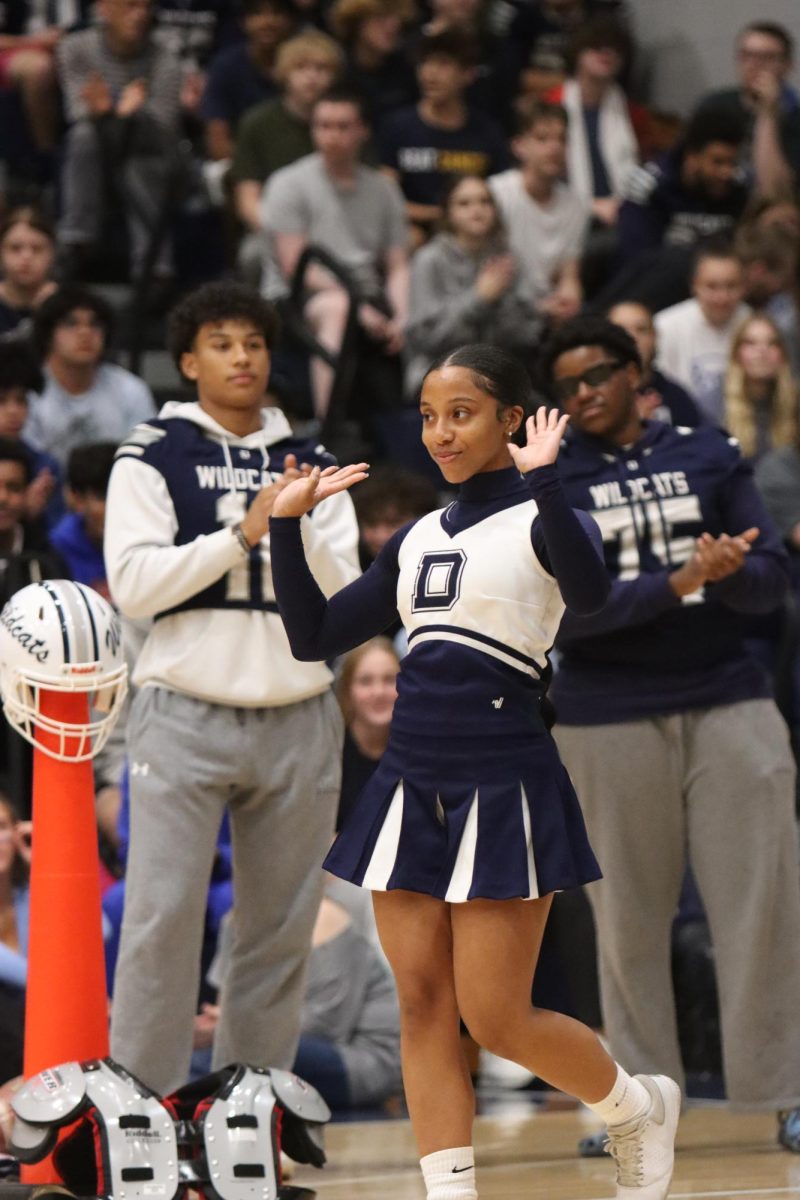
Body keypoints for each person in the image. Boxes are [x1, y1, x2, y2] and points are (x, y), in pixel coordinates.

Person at [268, 342, 681, 1200]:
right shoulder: (418, 535)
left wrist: (548, 481)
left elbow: (594, 594)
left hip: (506, 780)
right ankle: (448, 1192)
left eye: (460, 413)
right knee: (423, 1004)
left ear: (511, 420)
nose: (440, 432)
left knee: (495, 1017)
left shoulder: (541, 517)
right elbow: (314, 637)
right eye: (427, 415)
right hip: (411, 786)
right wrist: (283, 525)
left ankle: (634, 1106)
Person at [539, 314, 800, 1154]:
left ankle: (788, 1091)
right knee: (627, 923)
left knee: (764, 906)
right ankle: (638, 1109)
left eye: (596, 377)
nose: (582, 395)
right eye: (567, 386)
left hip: (730, 698)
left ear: (634, 372)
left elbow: (771, 583)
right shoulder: (551, 483)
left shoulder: (711, 453)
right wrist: (678, 578)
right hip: (604, 715)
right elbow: (571, 620)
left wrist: (725, 577)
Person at [104, 281, 361, 1095]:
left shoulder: (316, 461)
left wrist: (292, 522)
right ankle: (139, 1112)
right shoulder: (152, 451)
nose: (242, 357)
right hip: (182, 710)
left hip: (299, 713)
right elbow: (135, 584)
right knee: (160, 921)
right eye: (221, 343)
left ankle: (247, 1116)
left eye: (252, 342)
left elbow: (348, 595)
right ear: (188, 361)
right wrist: (240, 533)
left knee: (278, 932)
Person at [261, 86, 410, 419]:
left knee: (424, 305)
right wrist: (359, 306)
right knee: (337, 307)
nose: (332, 135)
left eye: (343, 126)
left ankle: (408, 425)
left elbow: (398, 264)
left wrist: (402, 315)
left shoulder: (383, 188)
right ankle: (328, 425)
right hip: (297, 296)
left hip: (367, 291)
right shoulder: (287, 183)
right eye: (324, 126)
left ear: (362, 130)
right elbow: (295, 267)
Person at [55, 0, 184, 282]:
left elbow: (164, 127)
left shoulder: (166, 58)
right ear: (103, 9)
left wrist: (122, 116)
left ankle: (153, 270)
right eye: (130, 6)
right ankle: (76, 243)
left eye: (146, 7)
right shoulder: (75, 48)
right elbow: (78, 111)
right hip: (96, 148)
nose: (140, 15)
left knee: (142, 165)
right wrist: (122, 112)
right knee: (83, 136)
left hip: (148, 149)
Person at [593, 109, 749, 314]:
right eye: (718, 162)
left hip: (716, 300)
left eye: (732, 163)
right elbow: (636, 265)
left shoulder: (738, 187)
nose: (727, 173)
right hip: (649, 299)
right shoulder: (650, 186)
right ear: (692, 157)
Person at [404, 174, 540, 397]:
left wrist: (510, 305)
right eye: (464, 203)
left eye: (484, 201)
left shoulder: (507, 257)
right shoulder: (429, 259)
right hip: (439, 376)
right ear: (448, 212)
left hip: (499, 375)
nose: (476, 210)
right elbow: (424, 340)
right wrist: (479, 298)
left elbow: (527, 335)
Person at [379, 30, 510, 244]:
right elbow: (386, 200)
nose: (429, 74)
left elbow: (499, 198)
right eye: (425, 64)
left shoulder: (488, 132)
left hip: (473, 235)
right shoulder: (397, 127)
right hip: (414, 232)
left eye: (443, 64)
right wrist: (441, 216)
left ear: (468, 74)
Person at [231, 30, 344, 250]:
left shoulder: (345, 120)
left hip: (337, 223)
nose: (312, 76)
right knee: (252, 254)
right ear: (285, 73)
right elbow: (248, 200)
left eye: (321, 69)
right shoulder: (257, 123)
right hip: (275, 226)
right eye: (301, 67)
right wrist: (283, 233)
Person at [25, 287, 155, 467]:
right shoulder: (26, 389)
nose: (85, 333)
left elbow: (145, 461)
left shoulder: (131, 390)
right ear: (47, 334)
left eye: (95, 325)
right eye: (71, 323)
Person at [488, 99, 588, 323]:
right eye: (542, 138)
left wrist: (568, 300)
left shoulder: (576, 204)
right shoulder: (496, 194)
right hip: (501, 306)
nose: (555, 148)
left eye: (562, 139)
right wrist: (536, 307)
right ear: (519, 146)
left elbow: (569, 274)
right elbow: (487, 273)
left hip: (547, 306)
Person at [692, 22, 800, 200]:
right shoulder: (713, 106)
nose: (755, 65)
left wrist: (767, 113)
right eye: (747, 55)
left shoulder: (795, 116)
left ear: (787, 65)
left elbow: (776, 193)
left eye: (767, 57)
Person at [654, 241, 750, 424]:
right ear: (694, 285)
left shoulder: (755, 325)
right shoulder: (665, 326)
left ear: (744, 287)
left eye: (731, 286)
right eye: (712, 286)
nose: (722, 297)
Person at [200, 0, 297, 162]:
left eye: (277, 13)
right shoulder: (225, 67)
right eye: (257, 14)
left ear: (291, 20)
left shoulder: (305, 65)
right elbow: (217, 145)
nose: (267, 22)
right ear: (243, 21)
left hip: (297, 166)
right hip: (242, 162)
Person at [336, 636, 400, 828]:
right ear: (348, 691)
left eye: (390, 680)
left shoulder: (422, 751)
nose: (378, 692)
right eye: (365, 681)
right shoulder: (329, 754)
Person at [607, 300, 703, 427]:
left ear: (655, 337)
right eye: (620, 330)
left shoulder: (677, 398)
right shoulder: (589, 394)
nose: (632, 338)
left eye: (641, 330)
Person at [0, 340, 63, 528]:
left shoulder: (45, 468)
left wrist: (31, 518)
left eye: (21, 400)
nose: (13, 411)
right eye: (1, 401)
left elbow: (55, 542)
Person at [722, 313, 798, 463]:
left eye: (772, 343)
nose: (762, 351)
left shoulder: (796, 404)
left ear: (783, 355)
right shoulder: (713, 404)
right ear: (736, 354)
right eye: (751, 343)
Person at [331, 0, 417, 125]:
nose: (394, 25)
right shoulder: (338, 69)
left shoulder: (407, 67)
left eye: (396, 18)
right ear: (358, 23)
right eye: (381, 18)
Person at [50, 441, 117, 598]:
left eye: (122, 494)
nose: (116, 507)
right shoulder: (54, 551)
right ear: (77, 499)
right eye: (103, 497)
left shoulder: (152, 542)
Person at [0, 795, 31, 1086]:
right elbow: (31, 977)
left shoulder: (28, 896)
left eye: (0, 827)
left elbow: (101, 931)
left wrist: (42, 867)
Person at [0, 207, 57, 337]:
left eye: (37, 249)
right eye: (15, 248)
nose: (26, 257)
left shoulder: (70, 307)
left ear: (52, 253)